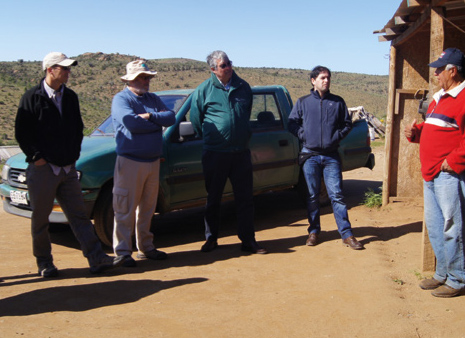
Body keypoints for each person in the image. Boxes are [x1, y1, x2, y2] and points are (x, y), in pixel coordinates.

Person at [15, 52, 124, 277]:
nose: (68, 72)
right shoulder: (31, 97)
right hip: (43, 170)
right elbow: (22, 133)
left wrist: (73, 156)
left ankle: (96, 259)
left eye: (68, 68)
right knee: (41, 219)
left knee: (79, 216)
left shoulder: (71, 97)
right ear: (50, 70)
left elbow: (77, 128)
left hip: (68, 168)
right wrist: (38, 158)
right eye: (64, 68)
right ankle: (45, 263)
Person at [190, 50, 266, 254]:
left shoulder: (243, 87)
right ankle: (211, 238)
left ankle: (248, 240)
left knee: (245, 199)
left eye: (229, 63)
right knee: (213, 198)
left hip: (240, 152)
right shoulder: (203, 90)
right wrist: (212, 138)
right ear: (213, 69)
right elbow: (196, 120)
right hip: (215, 153)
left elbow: (245, 114)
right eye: (223, 65)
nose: (228, 67)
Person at [404, 47, 465, 298]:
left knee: (453, 227)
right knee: (437, 226)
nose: (436, 73)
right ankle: (443, 274)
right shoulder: (439, 96)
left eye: (440, 69)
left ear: (453, 70)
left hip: (448, 174)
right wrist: (415, 133)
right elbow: (434, 128)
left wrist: (454, 159)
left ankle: (458, 277)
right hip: (430, 173)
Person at [288, 65, 363, 250]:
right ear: (313, 81)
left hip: (331, 156)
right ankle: (313, 232)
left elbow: (347, 123)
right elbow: (291, 123)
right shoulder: (303, 102)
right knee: (312, 196)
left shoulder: (337, 102)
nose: (326, 80)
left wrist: (336, 137)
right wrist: (303, 135)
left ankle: (347, 234)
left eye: (328, 77)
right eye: (322, 78)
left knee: (336, 195)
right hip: (310, 156)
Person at [111, 60, 176, 267]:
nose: (146, 81)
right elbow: (130, 122)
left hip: (152, 161)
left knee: (147, 207)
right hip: (130, 161)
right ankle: (122, 251)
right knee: (125, 208)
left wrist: (149, 116)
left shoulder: (152, 99)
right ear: (131, 79)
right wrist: (156, 125)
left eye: (147, 77)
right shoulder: (121, 99)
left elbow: (171, 117)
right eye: (142, 77)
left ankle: (146, 247)